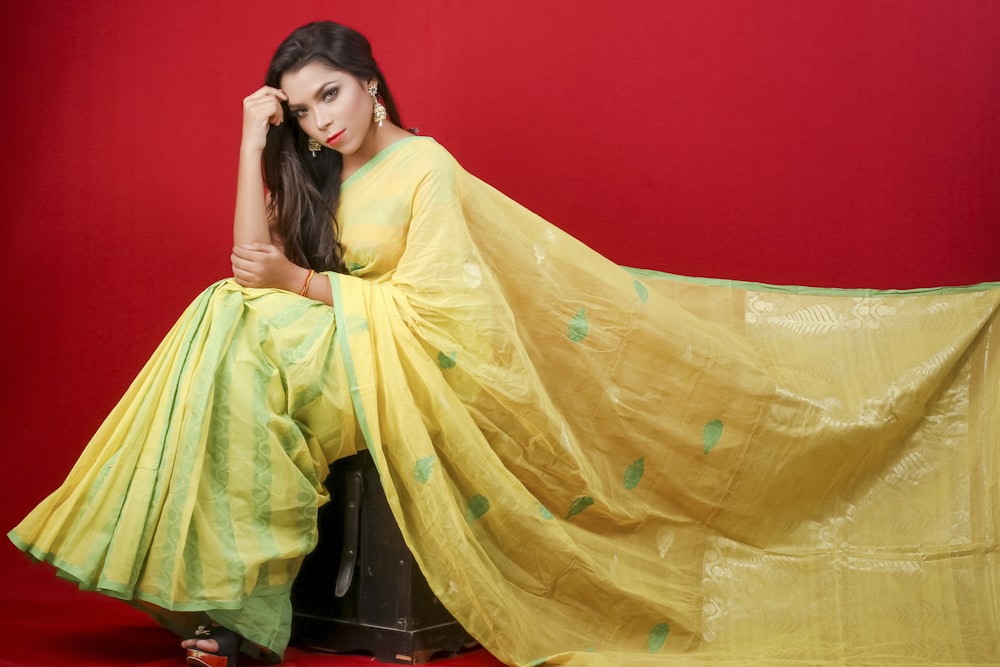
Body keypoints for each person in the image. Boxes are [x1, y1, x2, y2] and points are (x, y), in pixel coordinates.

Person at [8, 20, 1000, 667]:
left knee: (233, 319)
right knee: (221, 310)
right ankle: (230, 606)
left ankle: (224, 604)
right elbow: (245, 259)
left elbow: (441, 307)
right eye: (301, 108)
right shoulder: (314, 169)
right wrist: (248, 138)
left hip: (396, 355)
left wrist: (306, 286)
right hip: (333, 340)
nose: (321, 120)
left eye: (329, 96)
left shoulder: (424, 166)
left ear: (369, 86)